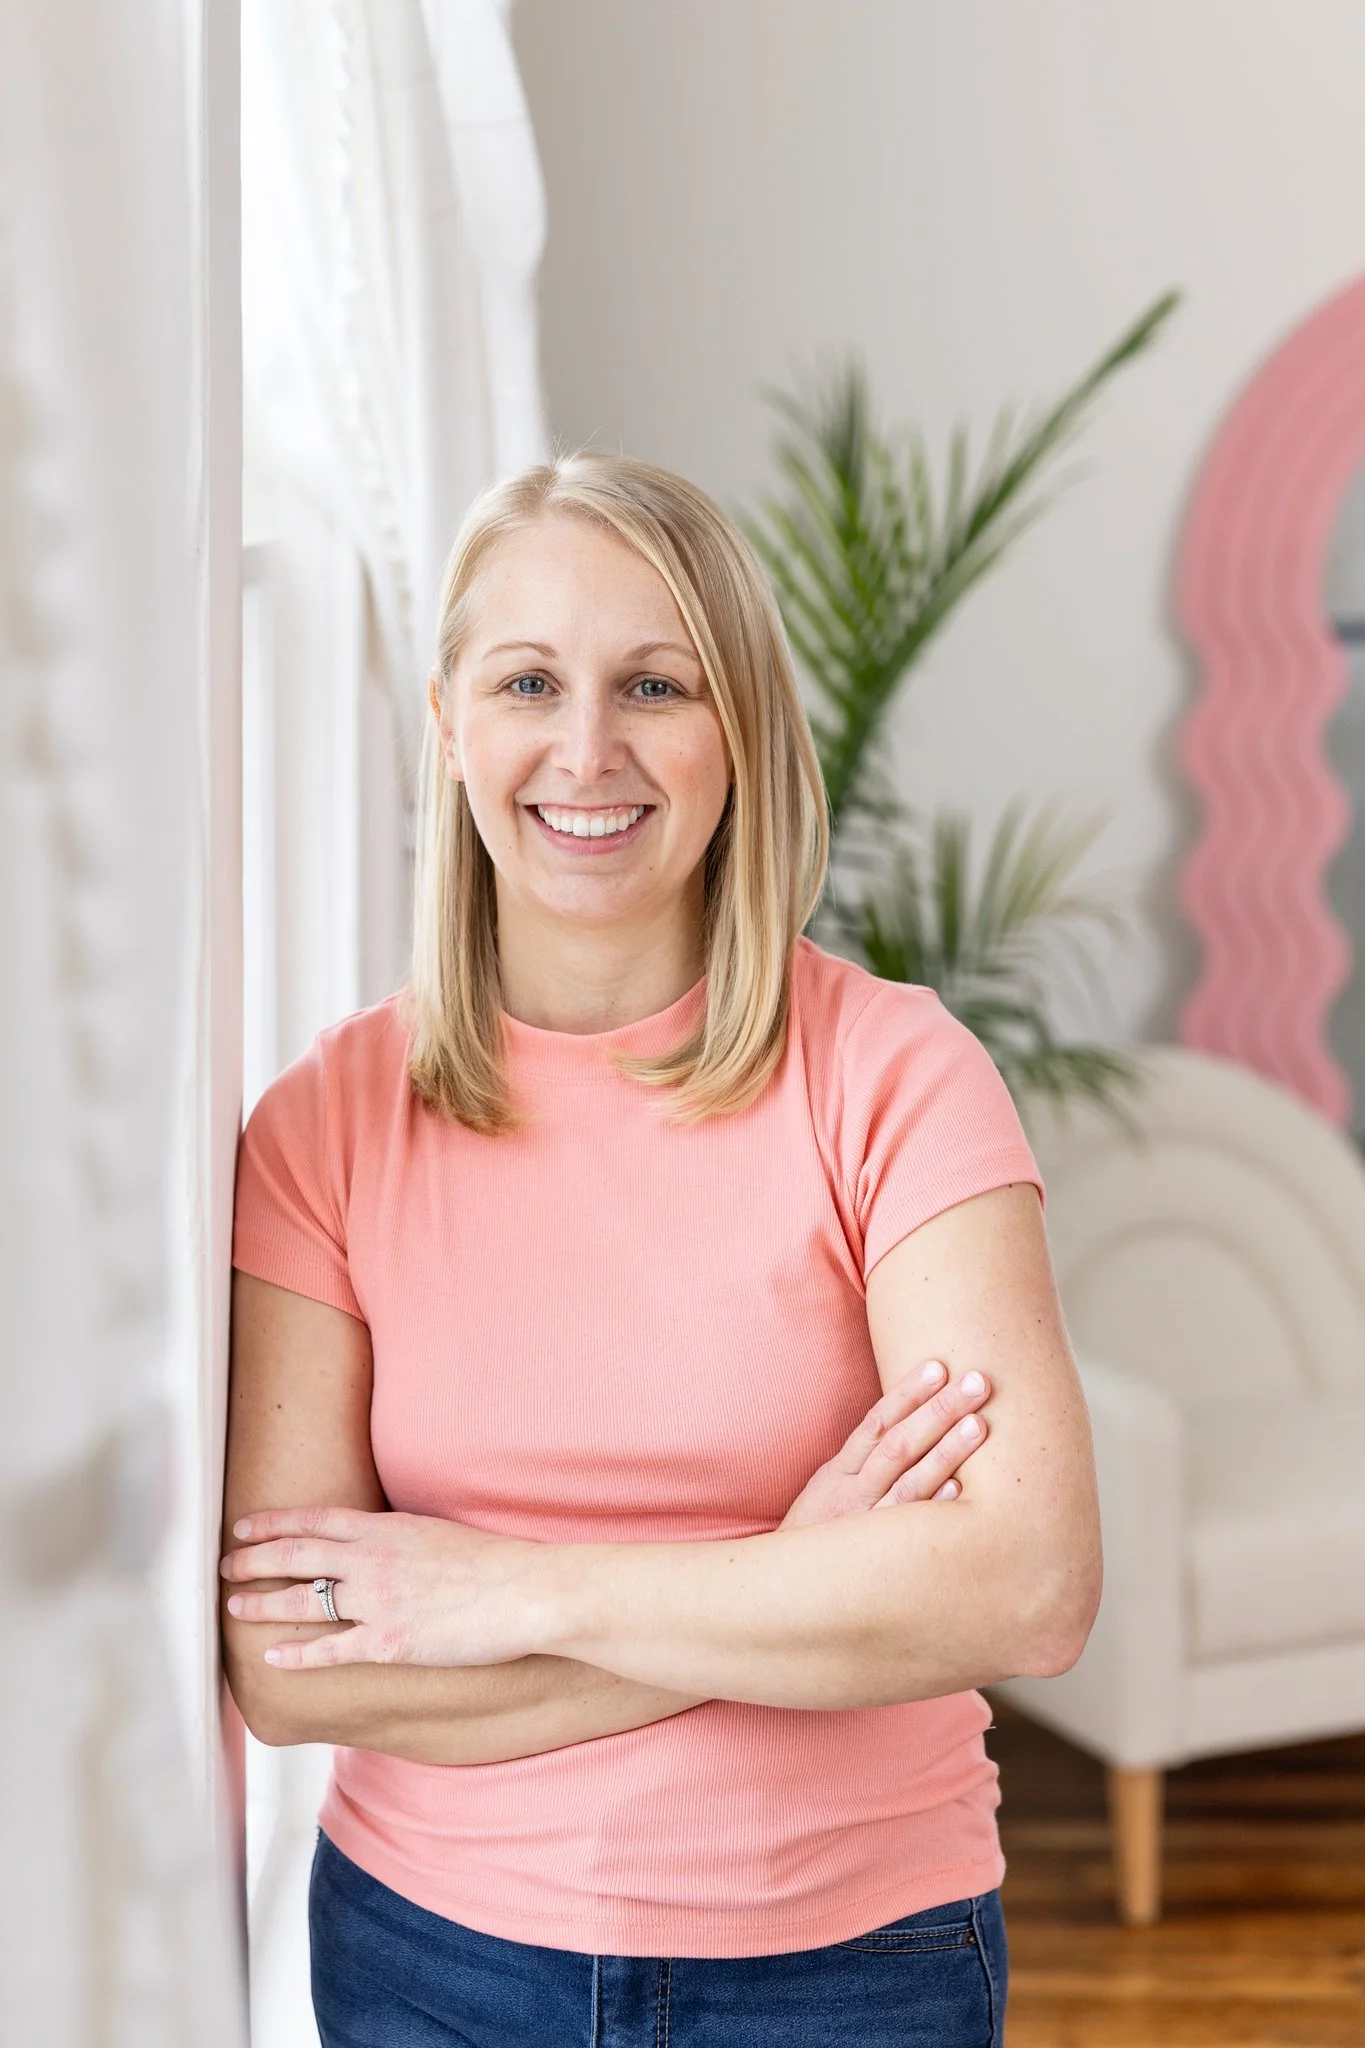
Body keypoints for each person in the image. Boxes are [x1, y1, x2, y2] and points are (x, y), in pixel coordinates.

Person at [221, 455, 1101, 2048]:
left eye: (654, 683)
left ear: (740, 730)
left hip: (855, 1971)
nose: (586, 749)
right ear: (448, 725)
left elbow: (1030, 1583)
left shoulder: (896, 1078)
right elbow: (290, 1670)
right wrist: (789, 1586)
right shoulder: (322, 1126)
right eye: (529, 682)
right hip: (435, 1965)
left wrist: (501, 1591)